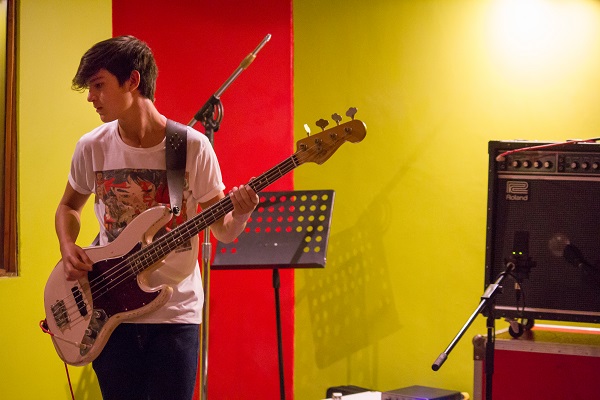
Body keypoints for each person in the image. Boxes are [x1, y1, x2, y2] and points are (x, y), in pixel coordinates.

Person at [54, 35, 258, 400]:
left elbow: (224, 231)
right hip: (107, 308)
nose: (90, 97)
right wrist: (68, 246)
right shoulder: (92, 146)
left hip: (175, 314)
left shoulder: (191, 147)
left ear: (132, 81)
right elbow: (69, 207)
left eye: (98, 85)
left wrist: (240, 213)